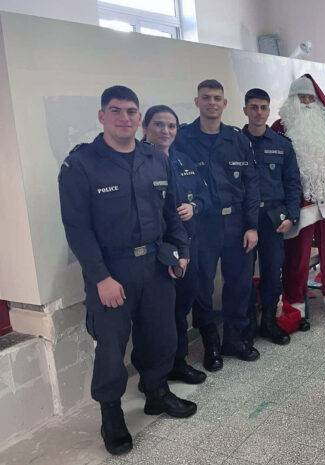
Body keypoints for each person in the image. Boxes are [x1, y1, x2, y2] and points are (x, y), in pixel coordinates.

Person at [58, 86, 196, 456]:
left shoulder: (155, 158)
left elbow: (171, 211)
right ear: (101, 116)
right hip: (111, 270)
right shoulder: (81, 164)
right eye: (116, 110)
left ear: (139, 117)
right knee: (111, 348)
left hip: (155, 264)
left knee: (161, 335)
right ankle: (111, 414)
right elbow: (77, 229)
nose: (124, 118)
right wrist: (101, 278)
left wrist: (181, 252)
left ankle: (157, 392)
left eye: (131, 111)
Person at [173, 79, 260, 368]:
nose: (212, 102)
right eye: (206, 97)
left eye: (217, 98)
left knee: (239, 284)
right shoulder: (182, 138)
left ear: (225, 104)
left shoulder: (238, 139)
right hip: (202, 225)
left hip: (236, 223)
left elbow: (251, 184)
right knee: (202, 287)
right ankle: (210, 342)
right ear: (197, 102)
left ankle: (233, 340)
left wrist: (252, 226)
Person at [271, 74, 325, 330]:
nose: (307, 103)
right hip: (299, 200)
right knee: (297, 254)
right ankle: (295, 303)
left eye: (310, 98)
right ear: (292, 100)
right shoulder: (280, 127)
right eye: (302, 97)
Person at [142, 105, 209, 385]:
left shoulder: (183, 161)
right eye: (159, 125)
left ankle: (178, 363)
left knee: (181, 309)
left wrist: (194, 207)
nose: (166, 131)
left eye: (171, 126)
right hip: (156, 253)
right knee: (157, 317)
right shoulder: (138, 163)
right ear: (145, 127)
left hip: (186, 249)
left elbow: (205, 195)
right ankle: (156, 375)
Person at [242, 88, 302, 345]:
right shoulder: (233, 143)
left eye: (263, 107)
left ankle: (268, 321)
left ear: (269, 110)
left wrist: (292, 216)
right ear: (245, 110)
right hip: (243, 219)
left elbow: (292, 183)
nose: (258, 112)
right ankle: (245, 326)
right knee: (241, 274)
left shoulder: (282, 145)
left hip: (273, 218)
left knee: (272, 270)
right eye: (253, 107)